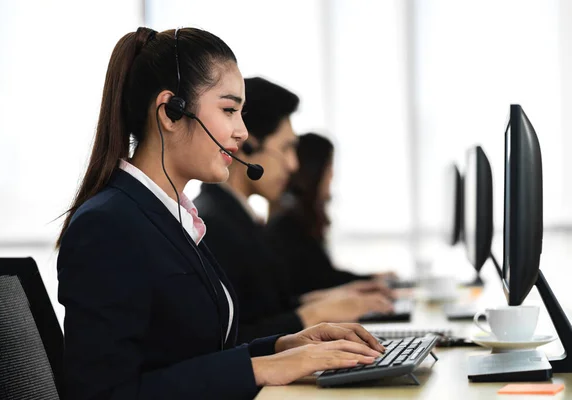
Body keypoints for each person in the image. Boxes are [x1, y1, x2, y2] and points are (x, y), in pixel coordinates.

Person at [56, 27, 385, 400]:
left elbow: (194, 355)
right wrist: (260, 368)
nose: (242, 132)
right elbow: (102, 394)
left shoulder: (173, 218)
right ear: (170, 112)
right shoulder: (108, 225)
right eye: (229, 110)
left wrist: (283, 346)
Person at [194, 77, 394, 344]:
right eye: (286, 148)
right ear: (248, 145)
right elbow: (229, 338)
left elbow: (266, 306)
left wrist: (329, 299)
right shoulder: (212, 225)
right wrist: (313, 315)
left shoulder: (238, 217)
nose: (292, 165)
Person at [267, 133, 397, 299]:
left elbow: (324, 275)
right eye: (329, 168)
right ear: (315, 172)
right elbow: (321, 281)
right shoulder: (289, 224)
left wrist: (372, 279)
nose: (332, 176)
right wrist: (371, 281)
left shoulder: (298, 217)